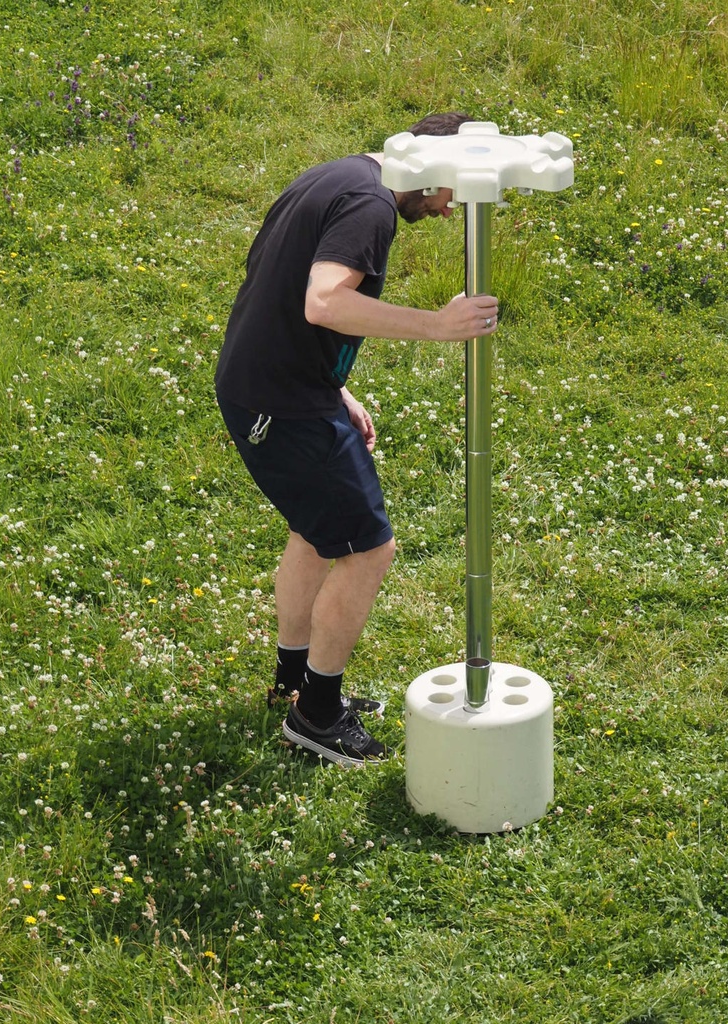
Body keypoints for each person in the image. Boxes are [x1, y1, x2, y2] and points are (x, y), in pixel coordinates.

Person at [215, 112, 499, 767]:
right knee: (369, 550)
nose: (455, 207)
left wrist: (331, 385)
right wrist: (436, 325)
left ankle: (294, 685)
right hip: (281, 404)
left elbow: (275, 282)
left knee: (318, 532)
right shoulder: (371, 208)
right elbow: (322, 301)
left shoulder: (337, 176)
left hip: (275, 387)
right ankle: (316, 718)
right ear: (432, 169)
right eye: (456, 190)